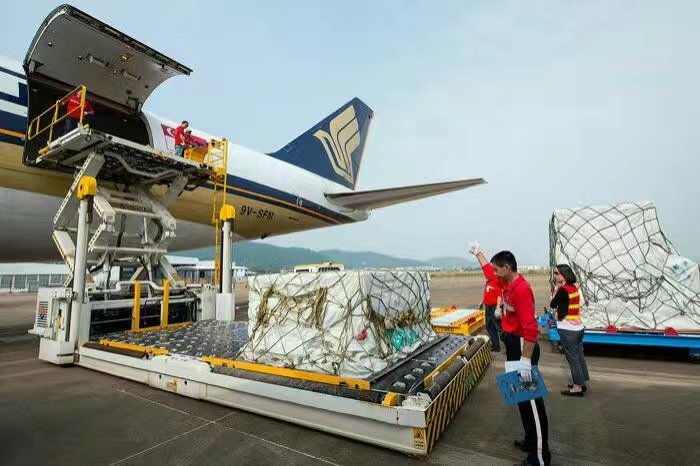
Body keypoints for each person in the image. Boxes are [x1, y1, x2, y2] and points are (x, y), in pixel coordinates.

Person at [470, 242, 551, 466]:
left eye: (497, 269)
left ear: (506, 268)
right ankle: (530, 440)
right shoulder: (504, 282)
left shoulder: (521, 290)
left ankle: (541, 457)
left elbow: (531, 329)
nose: (494, 274)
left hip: (524, 345)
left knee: (532, 402)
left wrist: (526, 360)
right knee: (520, 398)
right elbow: (487, 270)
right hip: (513, 344)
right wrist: (478, 253)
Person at [550, 264, 589, 396]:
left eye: (557, 273)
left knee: (572, 359)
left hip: (568, 329)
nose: (555, 276)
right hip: (578, 328)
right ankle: (581, 383)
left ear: (563, 274)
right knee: (579, 357)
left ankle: (577, 388)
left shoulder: (562, 290)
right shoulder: (574, 287)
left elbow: (552, 304)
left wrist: (556, 287)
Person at [480, 262, 502, 352]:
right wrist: (482, 301)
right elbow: (487, 292)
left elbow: (499, 295)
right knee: (489, 327)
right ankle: (495, 346)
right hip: (488, 307)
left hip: (494, 307)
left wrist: (497, 308)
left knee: (500, 328)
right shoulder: (488, 281)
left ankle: (510, 346)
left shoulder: (497, 281)